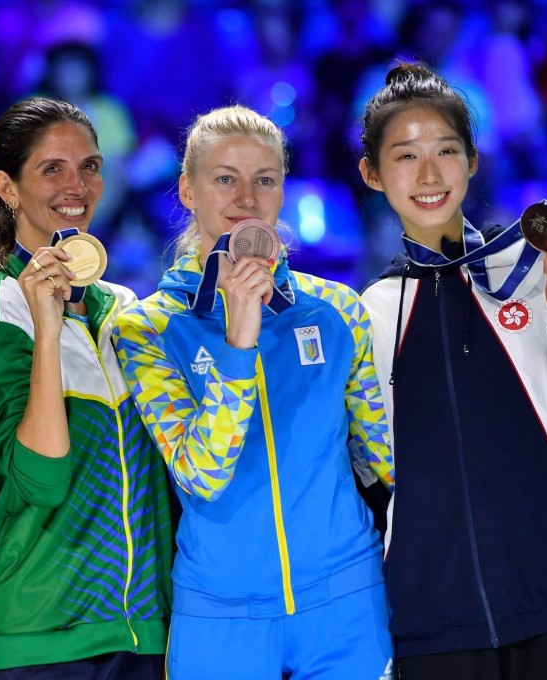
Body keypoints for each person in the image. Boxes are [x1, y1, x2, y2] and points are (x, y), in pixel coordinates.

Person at [357, 62, 547, 680]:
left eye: (446, 151)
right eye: (405, 156)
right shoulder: (369, 315)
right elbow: (368, 482)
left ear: (473, 161)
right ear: (373, 174)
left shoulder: (546, 272)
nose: (430, 174)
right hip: (434, 629)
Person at [113, 104, 395, 679]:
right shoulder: (148, 329)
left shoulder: (338, 309)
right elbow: (202, 472)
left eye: (264, 179)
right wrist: (239, 342)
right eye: (225, 179)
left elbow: (387, 460)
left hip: (345, 599)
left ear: (282, 190)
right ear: (188, 191)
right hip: (219, 614)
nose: (246, 197)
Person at [0, 97, 172, 679]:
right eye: (53, 168)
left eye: (91, 166)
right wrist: (48, 331)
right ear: (7, 187)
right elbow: (43, 479)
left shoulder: (123, 309)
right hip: (39, 636)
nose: (77, 185)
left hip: (143, 630)